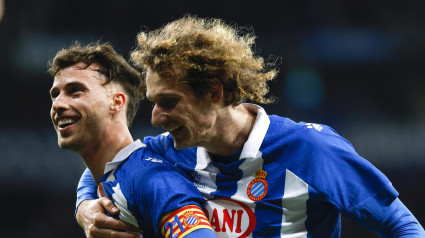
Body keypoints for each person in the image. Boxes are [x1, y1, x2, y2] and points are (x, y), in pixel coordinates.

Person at [75, 16, 425, 237]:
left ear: (214, 92)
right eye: (153, 101)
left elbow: (403, 226)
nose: (155, 117)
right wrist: (84, 208)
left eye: (169, 102)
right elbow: (109, 163)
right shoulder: (168, 150)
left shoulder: (309, 149)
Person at [48, 41, 216, 238]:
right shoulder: (110, 175)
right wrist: (82, 204)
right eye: (55, 95)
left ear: (116, 102)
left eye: (75, 90)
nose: (57, 104)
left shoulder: (150, 179)